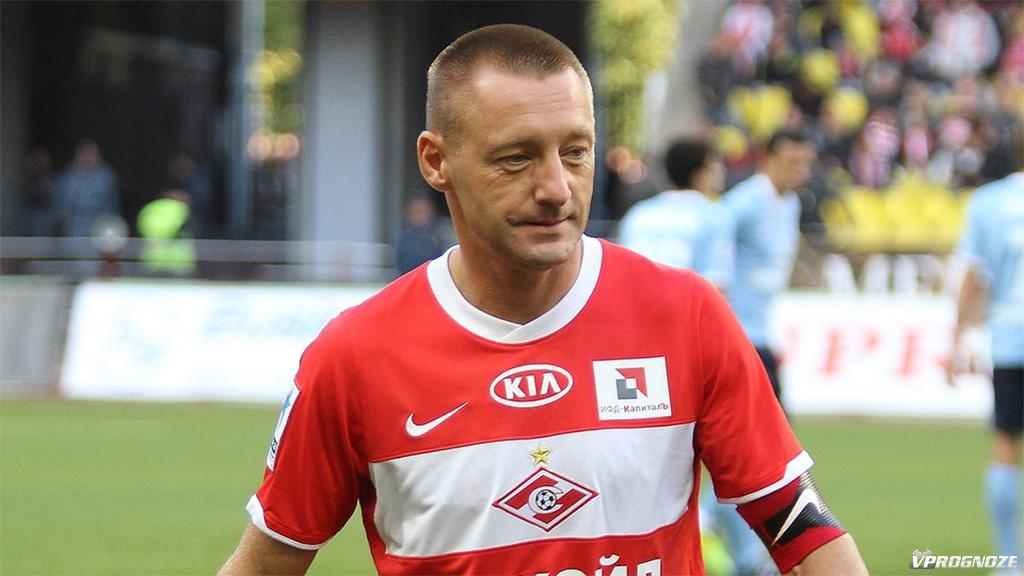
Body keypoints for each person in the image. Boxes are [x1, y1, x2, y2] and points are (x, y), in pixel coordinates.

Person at [219, 24, 866, 576]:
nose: (557, 188)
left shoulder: (687, 315)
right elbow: (267, 562)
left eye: (575, 152)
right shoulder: (355, 356)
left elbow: (801, 529)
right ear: (436, 161)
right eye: (516, 158)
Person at [947, 135, 1023, 565]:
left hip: (1011, 338)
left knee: (1006, 444)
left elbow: (976, 277)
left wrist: (958, 337)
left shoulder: (988, 202)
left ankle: (1008, 562)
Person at [722, 129, 816, 404]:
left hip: (761, 333)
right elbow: (713, 240)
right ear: (768, 160)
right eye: (792, 162)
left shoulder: (791, 203)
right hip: (737, 335)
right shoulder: (744, 202)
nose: (800, 171)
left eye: (805, 163)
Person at [618, 137, 733, 291]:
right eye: (716, 167)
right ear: (700, 174)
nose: (722, 172)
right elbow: (716, 283)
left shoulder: (639, 213)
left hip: (637, 299)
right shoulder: (714, 215)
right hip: (684, 302)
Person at [53, 139, 120, 238]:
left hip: (99, 227)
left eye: (91, 154)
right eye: (84, 154)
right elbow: (61, 205)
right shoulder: (67, 177)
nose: (87, 158)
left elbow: (112, 206)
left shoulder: (107, 177)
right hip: (74, 228)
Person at [395, 191, 450, 274]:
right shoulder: (405, 240)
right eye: (417, 212)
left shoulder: (440, 235)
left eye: (425, 212)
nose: (421, 216)